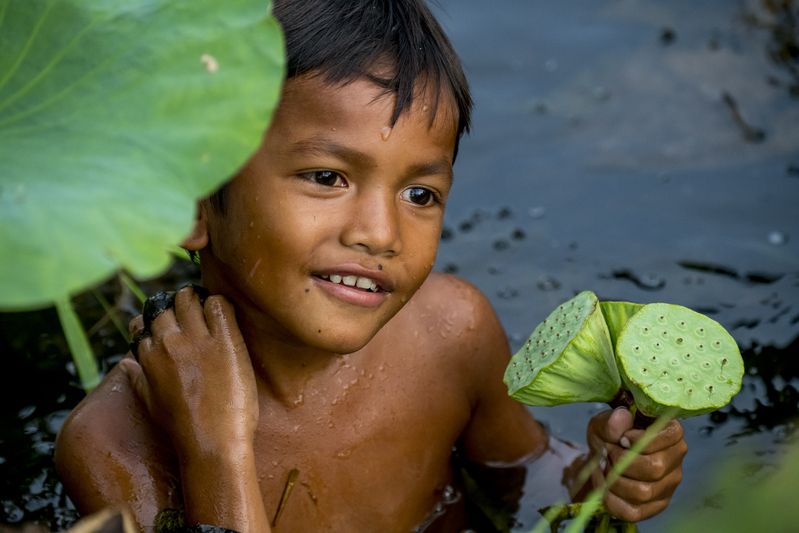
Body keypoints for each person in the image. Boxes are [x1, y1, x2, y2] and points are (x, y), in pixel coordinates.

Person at [54, 0, 688, 531]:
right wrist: (217, 453)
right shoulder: (114, 442)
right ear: (193, 203)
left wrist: (602, 479)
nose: (381, 234)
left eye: (420, 195)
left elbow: (524, 478)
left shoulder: (451, 334)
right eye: (327, 177)